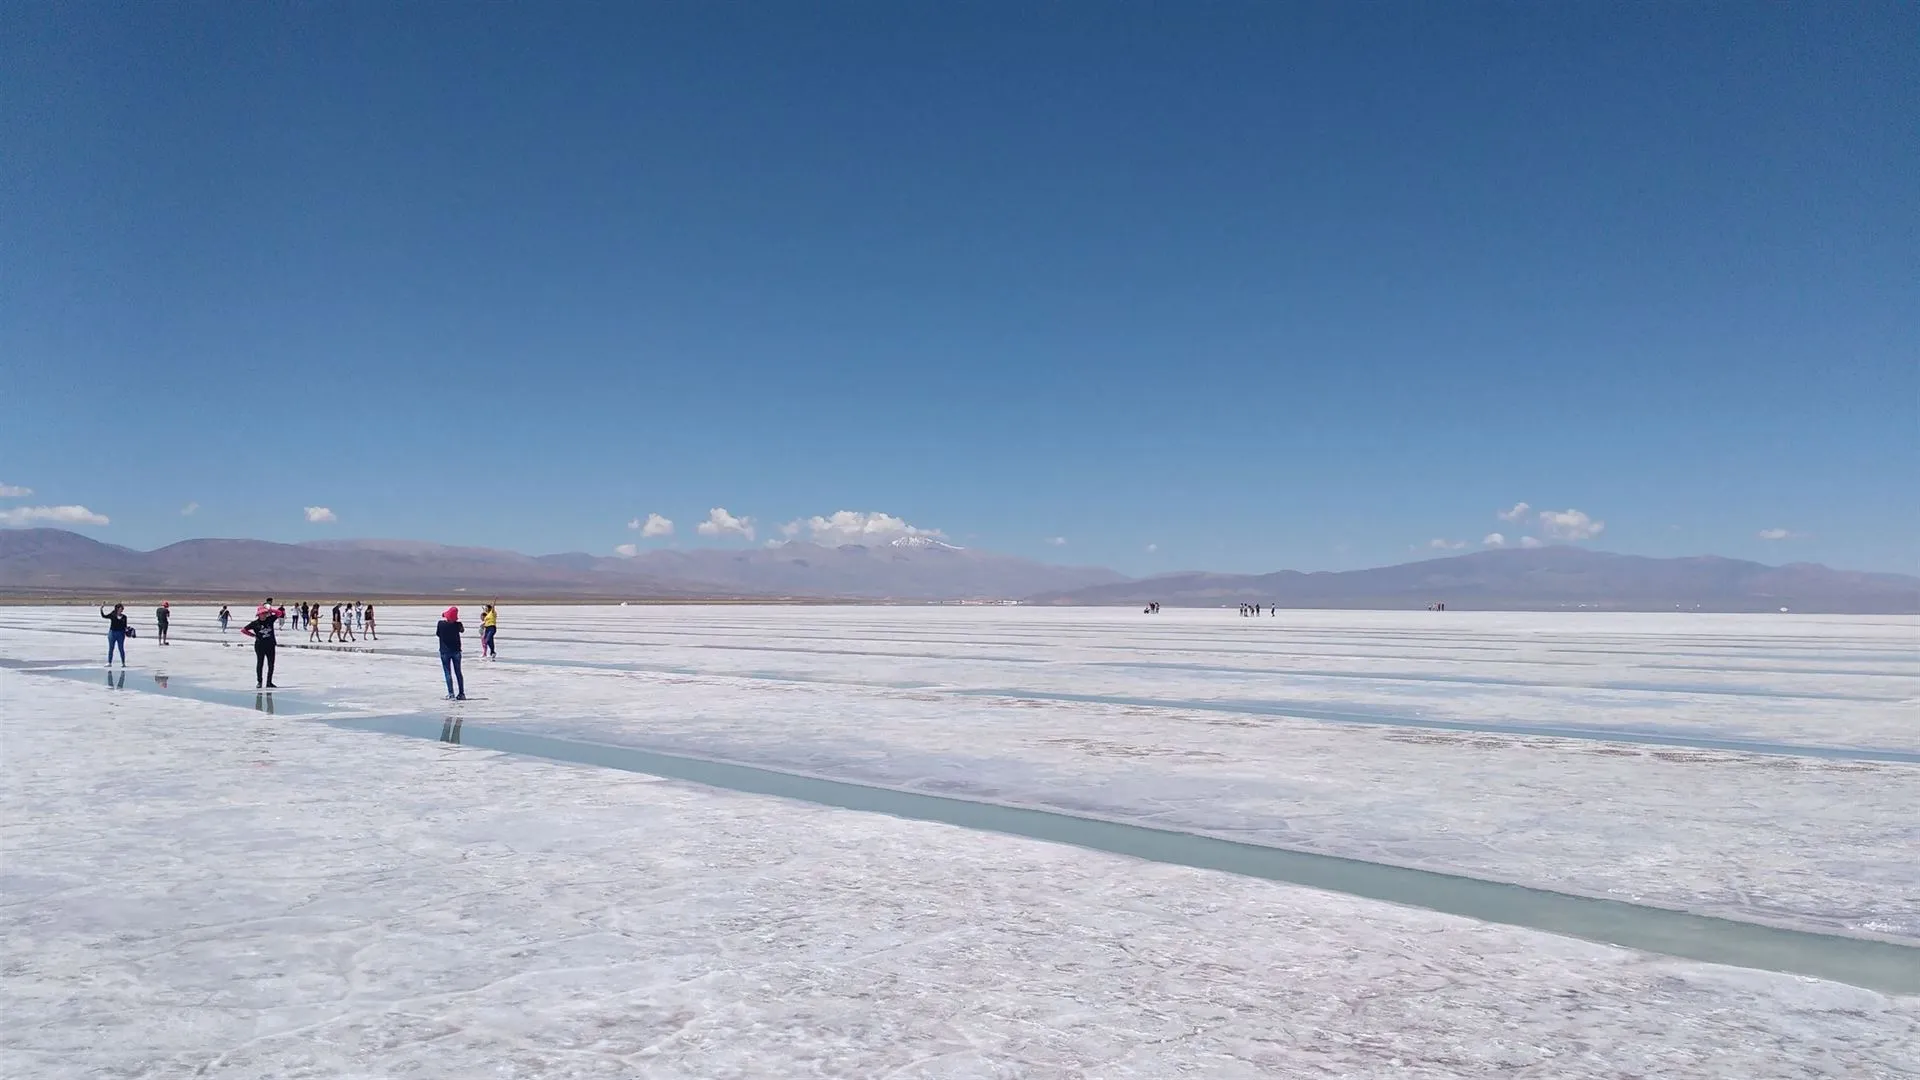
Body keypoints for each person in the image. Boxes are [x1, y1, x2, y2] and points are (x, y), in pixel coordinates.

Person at [241, 604, 283, 688]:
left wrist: (270, 610)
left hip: (270, 645)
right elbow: (243, 630)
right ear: (259, 615)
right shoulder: (255, 623)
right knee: (260, 663)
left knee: (271, 664)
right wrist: (253, 635)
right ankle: (259, 681)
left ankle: (269, 682)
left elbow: (280, 613)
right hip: (260, 646)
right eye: (262, 613)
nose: (264, 615)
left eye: (265, 613)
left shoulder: (270, 619)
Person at [436, 606, 467, 700]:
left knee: (447, 672)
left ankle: (451, 694)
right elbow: (462, 630)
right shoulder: (457, 625)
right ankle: (461, 693)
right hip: (457, 651)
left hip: (445, 651)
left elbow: (438, 634)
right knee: (458, 672)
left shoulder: (441, 624)